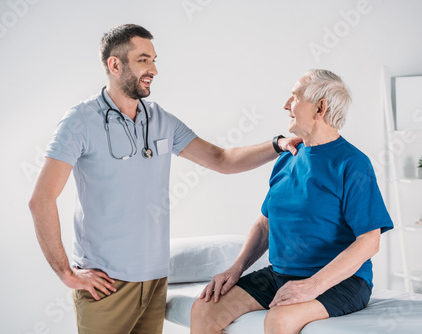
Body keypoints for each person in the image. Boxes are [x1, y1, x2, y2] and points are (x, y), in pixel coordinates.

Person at [28, 24, 301, 334]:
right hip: (105, 284)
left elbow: (221, 159)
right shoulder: (79, 121)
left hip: (155, 281)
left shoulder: (159, 119)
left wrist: (277, 144)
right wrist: (66, 273)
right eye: (144, 60)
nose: (154, 69)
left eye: (154, 60)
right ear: (115, 65)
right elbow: (41, 199)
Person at [190, 69, 394, 334]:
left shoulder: (352, 163)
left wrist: (314, 285)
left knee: (280, 319)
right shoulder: (288, 157)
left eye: (295, 97)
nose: (286, 105)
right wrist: (235, 269)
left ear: (320, 107)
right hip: (279, 276)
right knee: (204, 310)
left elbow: (369, 241)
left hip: (341, 281)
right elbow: (265, 225)